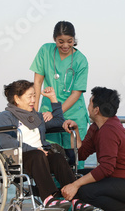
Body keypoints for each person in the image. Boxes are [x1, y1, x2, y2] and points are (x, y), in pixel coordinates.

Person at [61, 87, 125, 211]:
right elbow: (82, 153)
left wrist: (76, 185)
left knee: (84, 191)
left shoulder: (109, 130)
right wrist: (76, 131)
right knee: (75, 176)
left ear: (96, 110)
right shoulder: (97, 127)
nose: (88, 107)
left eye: (90, 103)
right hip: (119, 179)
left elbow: (105, 168)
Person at [0, 79, 92, 211]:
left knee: (57, 158)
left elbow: (58, 122)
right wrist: (33, 149)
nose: (34, 99)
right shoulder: (6, 116)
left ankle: (76, 201)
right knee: (38, 155)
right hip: (19, 158)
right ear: (17, 98)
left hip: (40, 156)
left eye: (34, 95)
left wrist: (53, 99)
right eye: (30, 96)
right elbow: (5, 142)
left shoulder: (36, 116)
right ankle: (48, 199)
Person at [30, 21, 89, 149]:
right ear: (54, 39)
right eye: (61, 41)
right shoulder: (45, 51)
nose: (65, 45)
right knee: (50, 154)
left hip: (73, 113)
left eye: (70, 41)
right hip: (47, 113)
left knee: (75, 157)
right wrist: (33, 112)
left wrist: (55, 112)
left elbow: (76, 93)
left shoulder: (81, 60)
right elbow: (37, 83)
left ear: (74, 39)